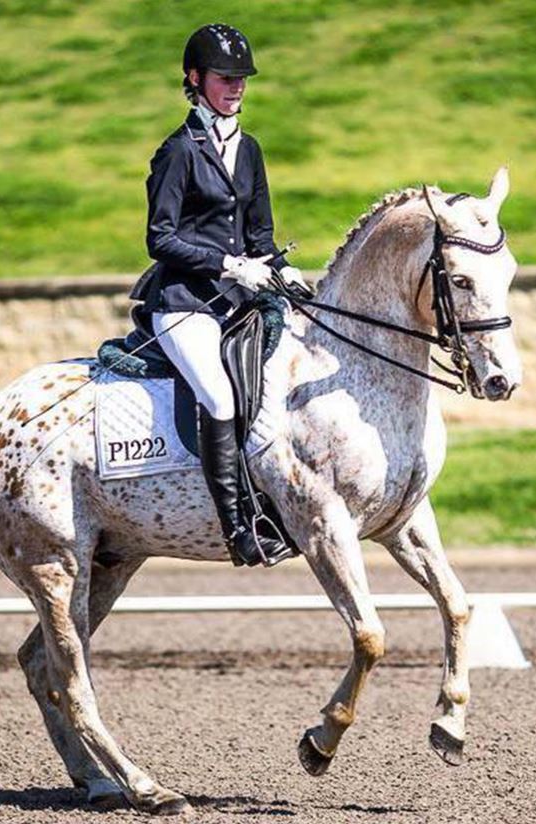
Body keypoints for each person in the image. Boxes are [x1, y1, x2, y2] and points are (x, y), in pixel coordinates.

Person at [134, 23, 306, 566]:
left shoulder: (249, 150)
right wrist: (228, 265)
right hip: (184, 303)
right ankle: (238, 528)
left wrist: (284, 271)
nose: (236, 87)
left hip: (238, 302)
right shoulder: (177, 152)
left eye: (241, 78)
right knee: (220, 397)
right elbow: (160, 238)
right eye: (224, 78)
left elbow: (261, 237)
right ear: (194, 79)